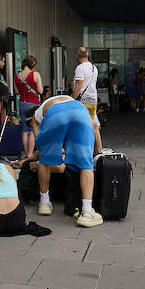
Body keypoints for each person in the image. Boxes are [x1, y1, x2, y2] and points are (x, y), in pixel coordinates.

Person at [29, 95, 103, 227]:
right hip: (79, 111)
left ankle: (44, 202)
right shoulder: (70, 100)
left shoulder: (36, 116)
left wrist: (49, 151)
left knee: (44, 161)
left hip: (54, 114)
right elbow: (95, 126)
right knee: (86, 164)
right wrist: (99, 151)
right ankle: (86, 211)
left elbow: (39, 142)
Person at [71, 47, 104, 154]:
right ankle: (97, 150)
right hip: (92, 99)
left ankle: (92, 150)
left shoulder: (80, 68)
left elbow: (79, 86)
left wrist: (71, 100)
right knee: (93, 124)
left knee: (85, 125)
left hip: (83, 101)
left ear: (77, 56)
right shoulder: (94, 67)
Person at [13, 55, 44, 158]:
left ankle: (26, 153)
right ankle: (30, 155)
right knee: (32, 130)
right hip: (33, 104)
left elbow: (17, 92)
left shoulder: (17, 76)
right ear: (32, 65)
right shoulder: (35, 74)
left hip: (22, 103)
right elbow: (40, 91)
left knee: (24, 130)